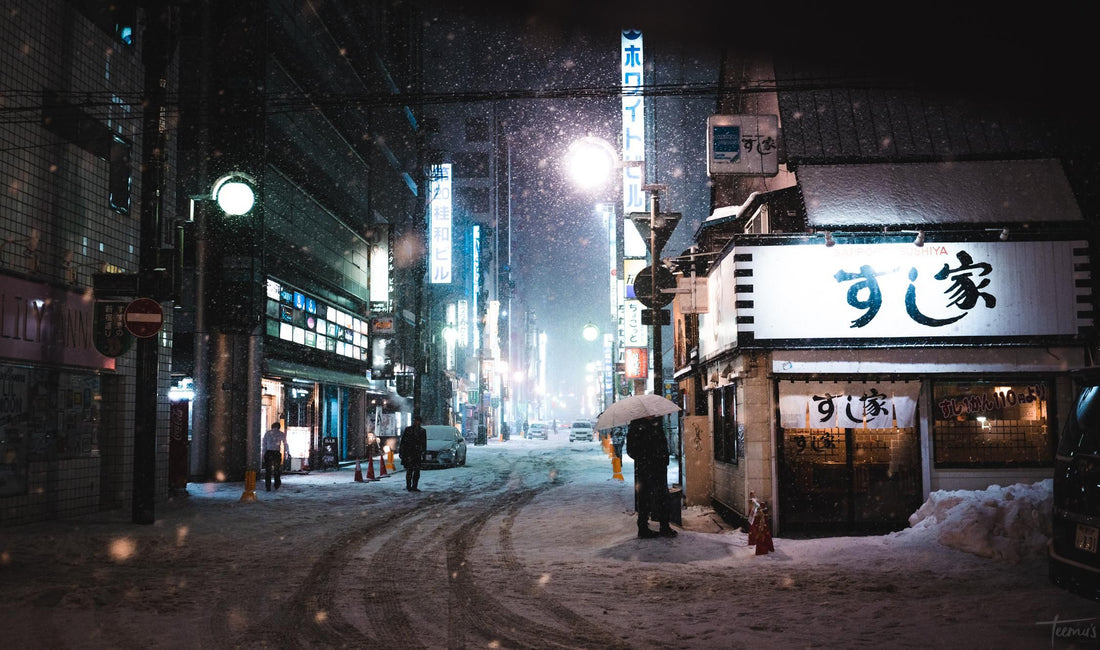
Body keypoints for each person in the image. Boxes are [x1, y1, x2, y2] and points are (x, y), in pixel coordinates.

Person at [626, 415, 676, 538]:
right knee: (644, 499)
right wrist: (646, 456)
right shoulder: (636, 427)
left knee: (662, 498)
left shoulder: (656, 424)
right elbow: (631, 450)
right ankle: (643, 529)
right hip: (645, 469)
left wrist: (663, 458)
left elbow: (662, 444)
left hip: (659, 468)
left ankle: (664, 527)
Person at [399, 415, 427, 492]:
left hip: (416, 453)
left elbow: (424, 443)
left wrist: (423, 452)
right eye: (415, 420)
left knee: (416, 471)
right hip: (409, 453)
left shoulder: (422, 431)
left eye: (417, 421)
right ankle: (409, 486)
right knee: (410, 470)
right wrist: (401, 452)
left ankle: (414, 486)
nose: (415, 422)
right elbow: (403, 442)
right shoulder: (408, 430)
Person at [261, 422, 287, 492]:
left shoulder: (268, 433)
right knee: (277, 469)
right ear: (279, 427)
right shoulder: (281, 433)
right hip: (276, 453)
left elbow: (264, 444)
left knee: (268, 470)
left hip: (269, 452)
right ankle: (276, 483)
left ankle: (268, 486)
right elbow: (285, 443)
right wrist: (287, 452)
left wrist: (263, 454)